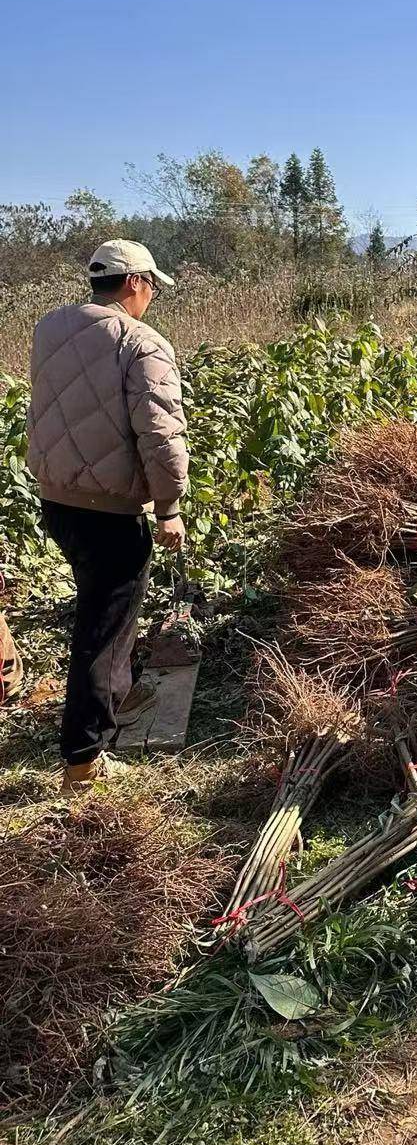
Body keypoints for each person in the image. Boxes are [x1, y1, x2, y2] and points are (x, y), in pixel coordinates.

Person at [26, 240, 188, 791]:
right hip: (109, 510)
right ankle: (84, 756)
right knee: (106, 628)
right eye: (150, 288)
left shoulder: (51, 328)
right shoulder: (141, 342)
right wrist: (168, 506)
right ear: (134, 283)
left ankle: (108, 704)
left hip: (57, 500)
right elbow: (160, 432)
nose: (150, 299)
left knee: (99, 610)